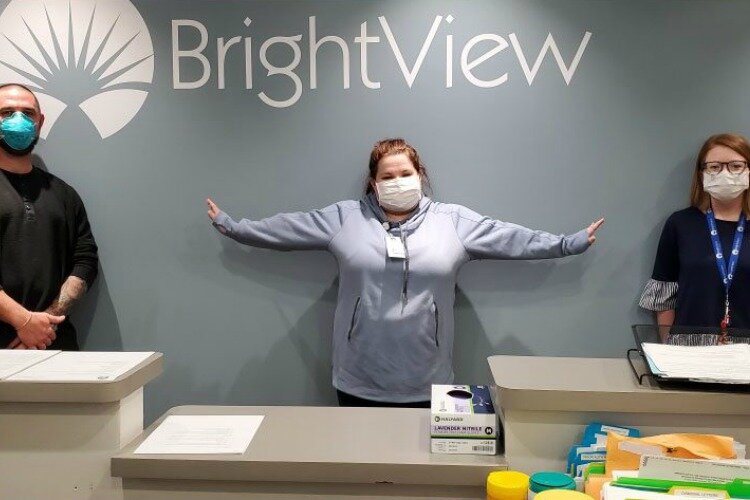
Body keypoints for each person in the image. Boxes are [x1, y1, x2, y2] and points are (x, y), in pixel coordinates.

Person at [207, 138, 604, 407]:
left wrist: (567, 243)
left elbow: (511, 239)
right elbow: (287, 229)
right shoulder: (345, 218)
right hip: (357, 378)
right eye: (387, 176)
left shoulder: (454, 222)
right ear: (373, 182)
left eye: (404, 174)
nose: (397, 182)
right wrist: (232, 226)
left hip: (427, 381)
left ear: (420, 176)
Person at [0, 83, 99, 350]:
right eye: (7, 112)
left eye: (27, 113)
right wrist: (23, 321)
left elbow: (85, 261)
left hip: (54, 343)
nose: (18, 120)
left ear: (40, 122)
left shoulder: (64, 194)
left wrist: (46, 323)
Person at [640, 133, 750, 335]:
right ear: (702, 173)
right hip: (690, 348)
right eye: (714, 167)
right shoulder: (680, 224)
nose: (725, 174)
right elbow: (664, 297)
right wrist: (669, 347)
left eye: (736, 166)